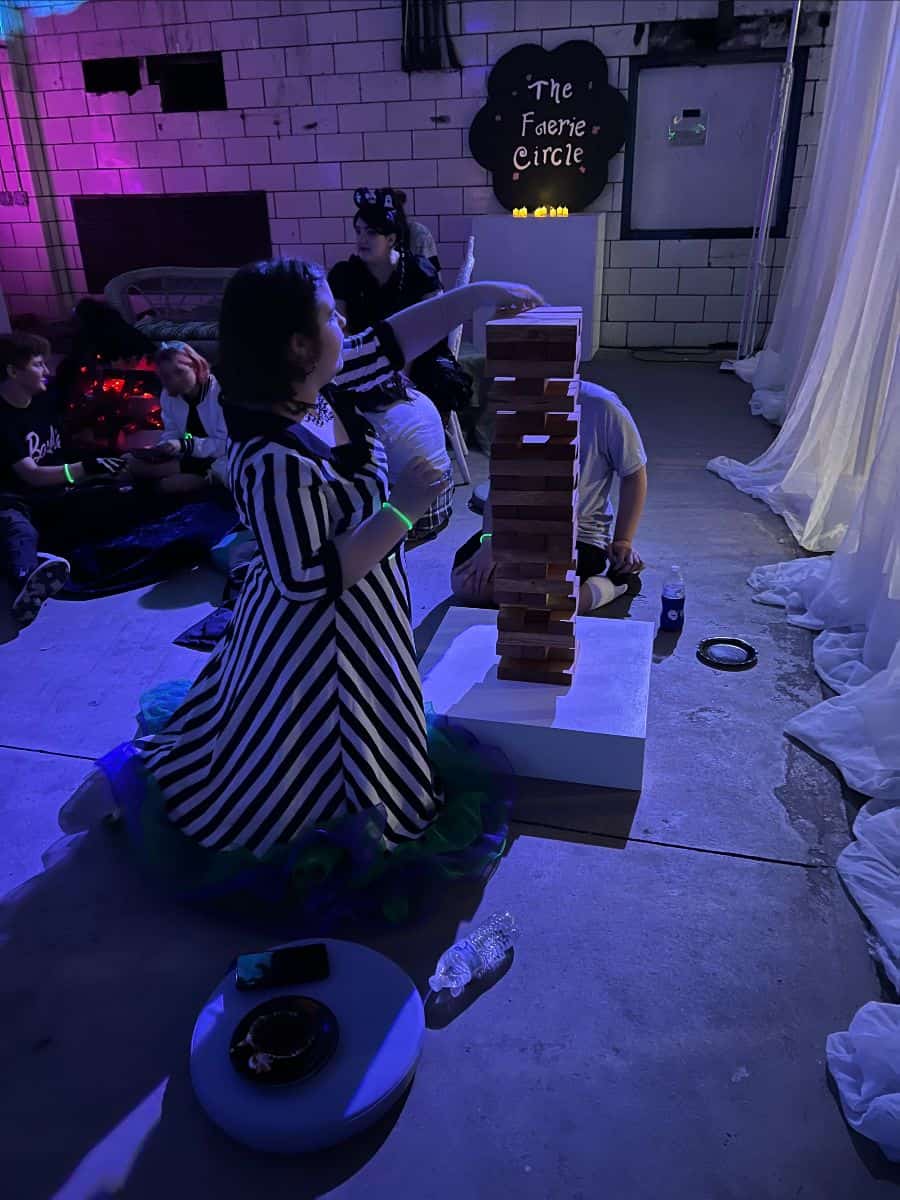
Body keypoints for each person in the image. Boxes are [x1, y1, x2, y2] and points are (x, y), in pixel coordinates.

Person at [92, 259, 541, 915]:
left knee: (375, 739)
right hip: (317, 647)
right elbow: (308, 579)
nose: (345, 323)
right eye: (331, 314)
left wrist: (482, 293)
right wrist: (406, 508)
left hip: (369, 613)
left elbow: (392, 338)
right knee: (315, 760)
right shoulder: (268, 453)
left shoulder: (321, 385)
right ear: (299, 346)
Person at [451, 381, 648, 614]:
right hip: (519, 529)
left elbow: (634, 474)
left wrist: (623, 540)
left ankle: (612, 584)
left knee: (536, 601)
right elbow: (502, 481)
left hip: (579, 535)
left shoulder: (603, 407)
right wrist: (490, 539)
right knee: (466, 583)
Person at [0, 332, 128, 626]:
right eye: (39, 364)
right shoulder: (3, 419)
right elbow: (30, 475)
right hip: (14, 500)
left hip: (54, 495)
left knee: (115, 498)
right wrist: (81, 468)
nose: (47, 371)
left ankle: (44, 558)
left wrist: (101, 460)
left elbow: (59, 450)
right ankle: (27, 580)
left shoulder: (42, 402)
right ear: (12, 371)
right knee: (17, 529)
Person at [328, 187, 473, 424]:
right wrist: (369, 366)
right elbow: (341, 329)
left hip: (419, 355)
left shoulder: (418, 271)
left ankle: (423, 443)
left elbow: (433, 327)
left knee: (443, 383)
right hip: (366, 355)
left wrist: (398, 372)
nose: (361, 239)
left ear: (392, 239)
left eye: (371, 233)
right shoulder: (345, 274)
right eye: (358, 231)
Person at [124, 341, 229, 494]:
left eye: (179, 372)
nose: (174, 380)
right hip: (188, 458)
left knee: (169, 485)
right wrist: (165, 447)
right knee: (130, 462)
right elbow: (171, 431)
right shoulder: (169, 396)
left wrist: (185, 445)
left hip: (219, 463)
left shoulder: (220, 394)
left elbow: (225, 445)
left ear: (195, 366)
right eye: (167, 376)